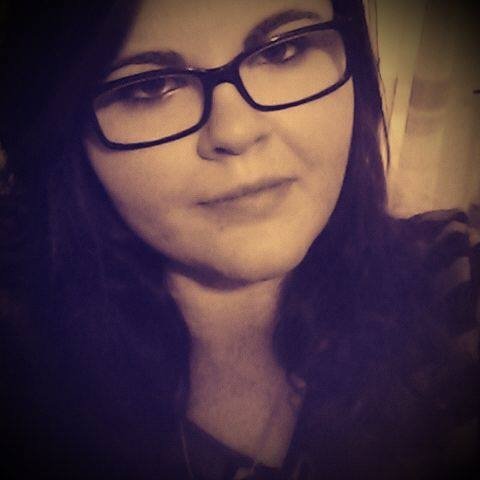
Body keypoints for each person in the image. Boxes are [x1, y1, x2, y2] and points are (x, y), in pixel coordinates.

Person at [0, 1, 478, 479]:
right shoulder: (27, 378)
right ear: (63, 129)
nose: (236, 131)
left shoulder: (454, 276)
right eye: (149, 86)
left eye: (283, 50)